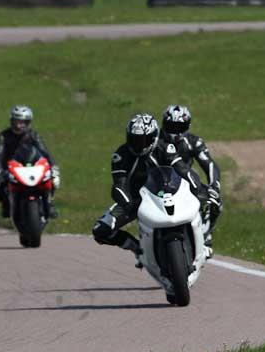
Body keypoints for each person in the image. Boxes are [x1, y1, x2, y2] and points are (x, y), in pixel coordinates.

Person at [91, 113, 208, 257]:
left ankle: (204, 241)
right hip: (136, 199)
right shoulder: (121, 155)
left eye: (144, 140)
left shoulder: (164, 147)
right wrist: (128, 205)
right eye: (134, 139)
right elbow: (118, 186)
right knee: (100, 231)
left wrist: (196, 188)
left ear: (154, 137)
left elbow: (183, 169)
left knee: (210, 199)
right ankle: (138, 249)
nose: (138, 144)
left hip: (171, 191)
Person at [158, 104, 222, 245]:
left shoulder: (194, 142)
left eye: (179, 127)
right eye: (171, 126)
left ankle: (206, 233)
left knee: (215, 201)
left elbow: (209, 164)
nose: (174, 131)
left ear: (187, 126)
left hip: (186, 183)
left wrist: (214, 185)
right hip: (158, 184)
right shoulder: (155, 141)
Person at [0, 105, 60, 218]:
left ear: (28, 122)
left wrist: (53, 167)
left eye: (23, 122)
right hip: (10, 169)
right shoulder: (3, 137)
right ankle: (6, 204)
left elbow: (45, 152)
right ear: (12, 121)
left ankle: (49, 203)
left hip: (31, 167)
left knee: (52, 181)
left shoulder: (33, 135)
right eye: (16, 121)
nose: (19, 125)